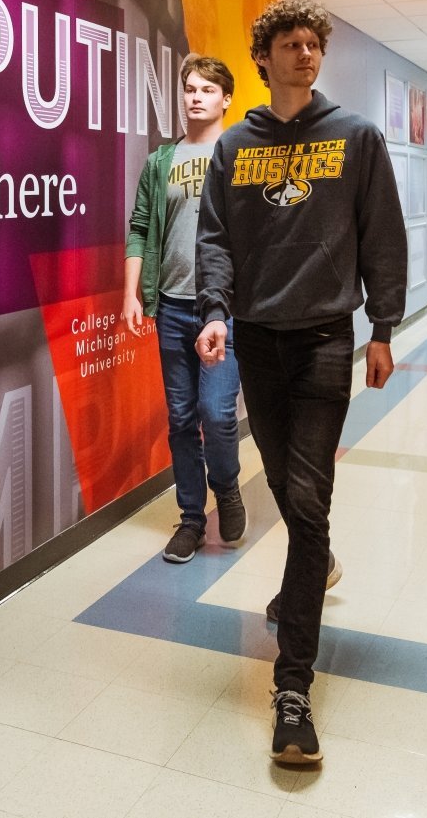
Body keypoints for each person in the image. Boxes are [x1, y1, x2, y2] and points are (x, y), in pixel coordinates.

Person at [194, 0, 407, 767]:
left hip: (324, 338)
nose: (305, 53)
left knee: (307, 504)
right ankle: (311, 567)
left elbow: (381, 232)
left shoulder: (355, 135)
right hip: (254, 337)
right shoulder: (234, 147)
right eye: (289, 42)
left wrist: (383, 326)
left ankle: (292, 688)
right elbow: (214, 235)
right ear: (263, 57)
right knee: (286, 483)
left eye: (313, 42)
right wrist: (215, 310)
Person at [124, 54, 246, 564]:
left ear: (226, 99)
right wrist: (131, 293)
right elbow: (140, 226)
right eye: (190, 89)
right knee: (179, 417)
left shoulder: (241, 153)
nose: (195, 97)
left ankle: (228, 487)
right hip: (173, 306)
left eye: (207, 90)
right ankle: (192, 519)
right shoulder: (161, 162)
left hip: (228, 310)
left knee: (216, 415)